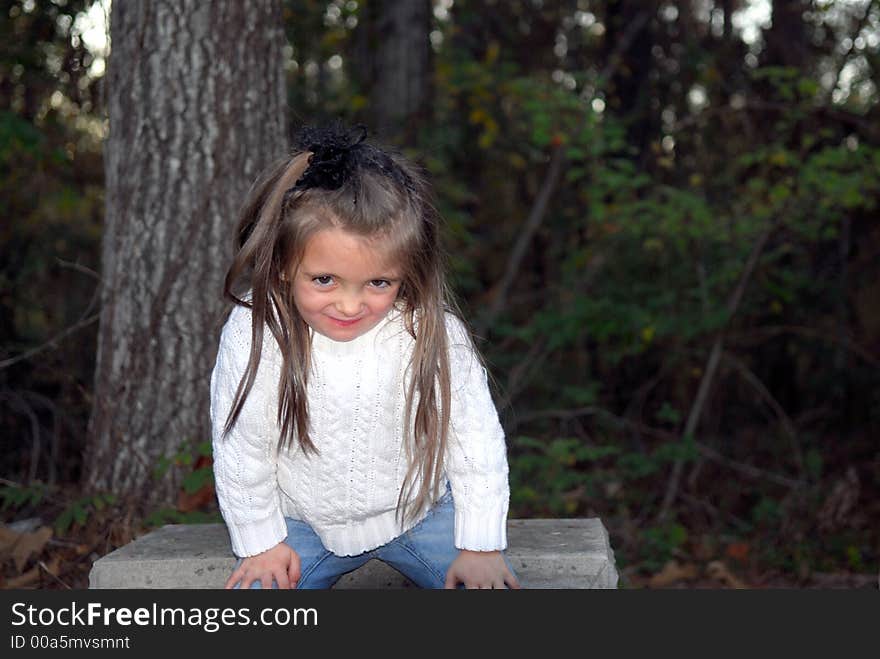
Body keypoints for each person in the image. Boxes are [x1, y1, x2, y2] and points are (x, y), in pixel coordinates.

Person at [210, 122, 519, 590]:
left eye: (378, 283)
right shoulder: (258, 332)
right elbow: (242, 448)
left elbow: (474, 441)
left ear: (406, 273)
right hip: (300, 525)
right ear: (281, 265)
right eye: (324, 280)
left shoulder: (427, 330)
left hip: (422, 512)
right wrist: (260, 541)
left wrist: (480, 543)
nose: (351, 305)